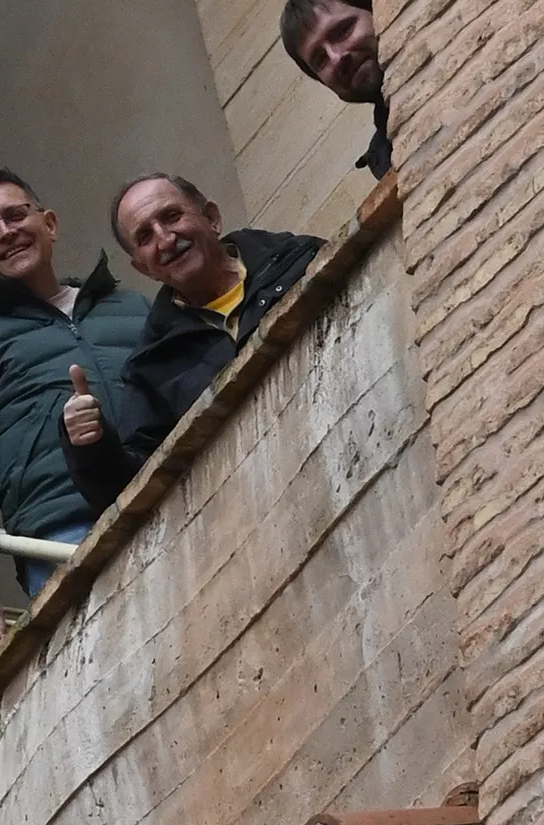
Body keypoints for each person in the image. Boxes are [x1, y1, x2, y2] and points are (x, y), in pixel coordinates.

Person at [0, 168, 150, 649]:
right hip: (64, 534)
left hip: (169, 487)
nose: (5, 232)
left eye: (14, 215)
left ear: (49, 223)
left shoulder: (130, 307)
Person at [60, 174, 323, 510]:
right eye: (145, 236)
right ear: (143, 268)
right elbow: (136, 487)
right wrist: (90, 447)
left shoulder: (298, 259)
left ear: (211, 218)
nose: (165, 239)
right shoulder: (152, 367)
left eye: (171, 217)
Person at [279, 0, 392, 179]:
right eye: (320, 60)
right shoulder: (385, 155)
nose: (337, 58)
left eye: (342, 32)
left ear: (375, 10)